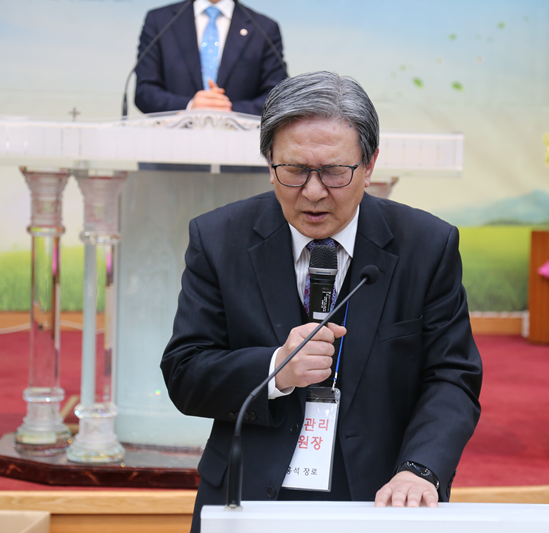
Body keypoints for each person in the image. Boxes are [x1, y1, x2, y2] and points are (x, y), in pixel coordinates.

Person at [161, 71, 482, 532]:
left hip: (380, 494)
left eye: (334, 171)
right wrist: (276, 368)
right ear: (269, 162)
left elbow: (452, 376)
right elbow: (185, 372)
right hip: (251, 493)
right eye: (294, 170)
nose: (313, 192)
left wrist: (420, 468)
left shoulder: (426, 246)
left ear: (369, 164)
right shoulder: (218, 239)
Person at [134, 0, 286, 115]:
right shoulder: (159, 20)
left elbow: (278, 96)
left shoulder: (264, 28)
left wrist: (230, 110)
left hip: (239, 143)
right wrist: (189, 106)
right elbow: (144, 91)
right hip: (170, 141)